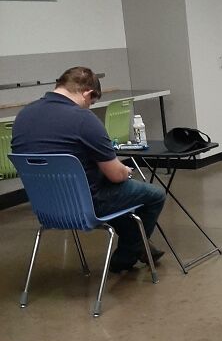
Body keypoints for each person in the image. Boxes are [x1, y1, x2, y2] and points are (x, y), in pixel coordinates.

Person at [11, 66, 166, 273]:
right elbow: (116, 174)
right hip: (86, 206)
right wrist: (126, 172)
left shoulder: (23, 117)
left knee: (115, 197)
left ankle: (140, 246)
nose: (89, 108)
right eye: (91, 103)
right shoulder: (84, 119)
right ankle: (126, 256)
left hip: (46, 207)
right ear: (88, 93)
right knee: (154, 195)